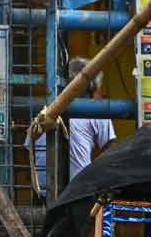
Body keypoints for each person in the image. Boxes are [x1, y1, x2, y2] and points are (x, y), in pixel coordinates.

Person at [26, 57, 116, 194]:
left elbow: (30, 147)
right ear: (93, 86)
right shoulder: (97, 111)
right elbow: (110, 150)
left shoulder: (43, 112)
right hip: (77, 191)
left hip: (41, 189)